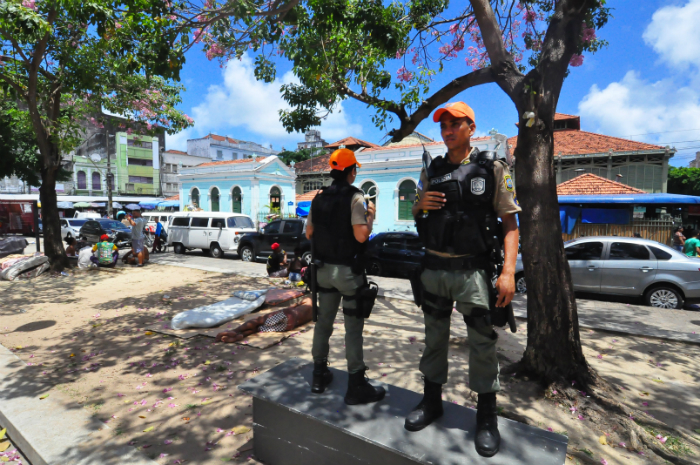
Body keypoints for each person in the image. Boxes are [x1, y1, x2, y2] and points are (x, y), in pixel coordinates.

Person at [409, 102, 520, 457]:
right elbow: (420, 213)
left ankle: (487, 417)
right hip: (434, 269)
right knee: (434, 339)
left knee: (483, 345)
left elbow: (510, 224)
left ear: (471, 127)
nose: (447, 130)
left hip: (473, 272)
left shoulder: (492, 168)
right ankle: (431, 402)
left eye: (455, 124)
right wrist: (418, 204)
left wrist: (507, 274)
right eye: (443, 125)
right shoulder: (432, 169)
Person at [306, 148, 385, 405]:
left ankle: (319, 375)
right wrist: (370, 214)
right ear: (352, 171)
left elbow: (309, 233)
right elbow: (361, 235)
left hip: (323, 273)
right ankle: (356, 384)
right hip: (347, 273)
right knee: (353, 329)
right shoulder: (356, 197)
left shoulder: (318, 197)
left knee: (324, 324)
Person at [215, 298, 314, 343]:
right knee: (258, 328)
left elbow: (292, 307)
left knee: (258, 320)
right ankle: (242, 335)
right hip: (289, 326)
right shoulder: (313, 315)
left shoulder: (309, 300)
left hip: (289, 315)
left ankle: (235, 331)